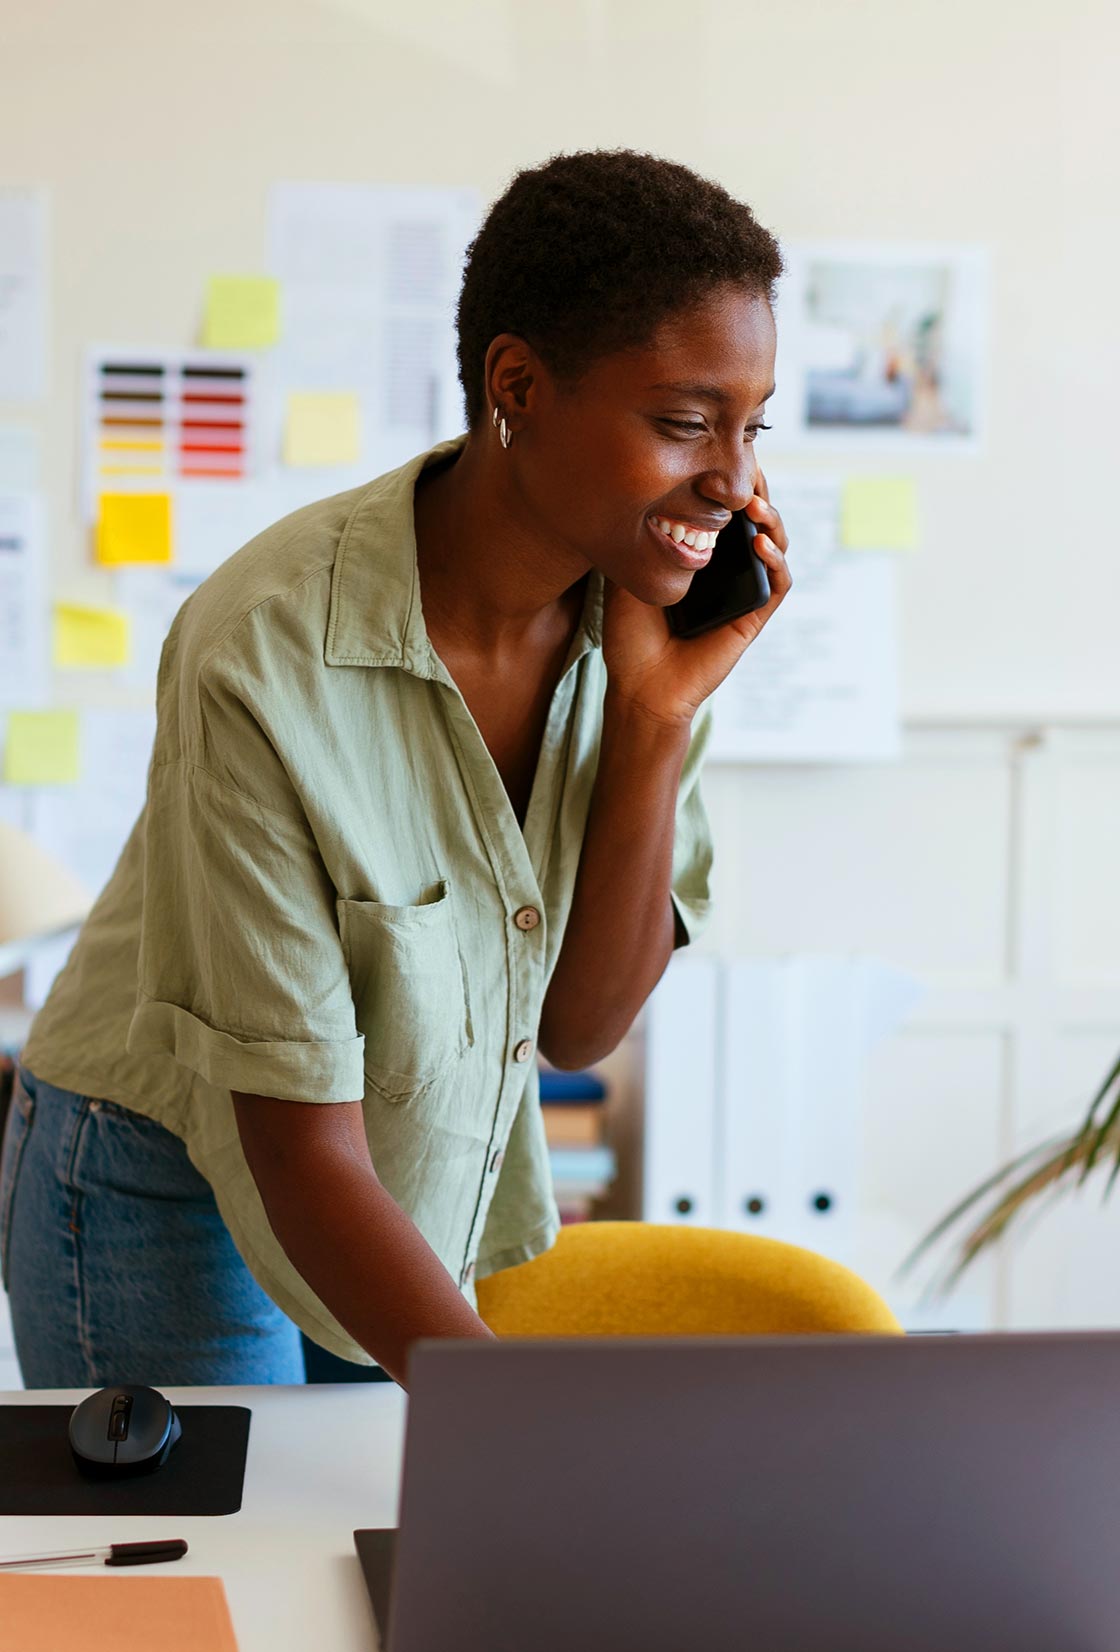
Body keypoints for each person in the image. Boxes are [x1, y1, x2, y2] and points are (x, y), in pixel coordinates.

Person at [0, 149, 789, 1390]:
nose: (734, 482)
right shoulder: (266, 649)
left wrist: (652, 720)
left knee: (392, 1538)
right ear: (515, 385)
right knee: (230, 1566)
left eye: (752, 426)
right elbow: (297, 1147)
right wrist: (501, 1417)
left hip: (387, 1184)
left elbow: (577, 1024)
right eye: (686, 422)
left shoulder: (648, 620)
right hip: (168, 1169)